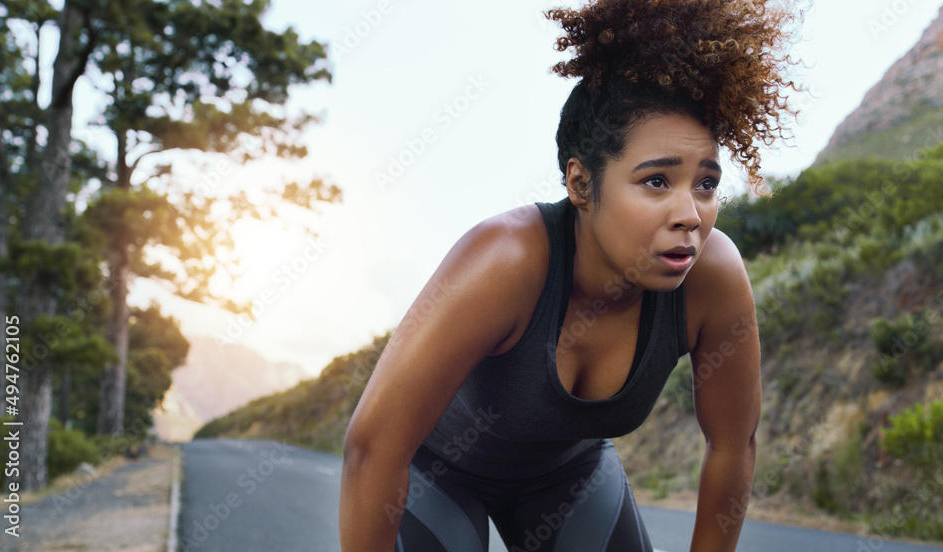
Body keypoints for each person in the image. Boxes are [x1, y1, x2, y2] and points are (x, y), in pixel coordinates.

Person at [340, 0, 800, 550]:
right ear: (581, 184)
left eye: (705, 183)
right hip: (434, 474)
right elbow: (373, 450)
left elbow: (732, 446)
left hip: (567, 476)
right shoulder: (506, 260)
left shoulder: (713, 278)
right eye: (656, 181)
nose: (690, 213)